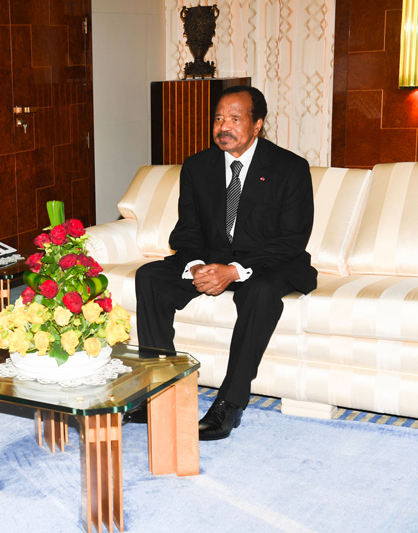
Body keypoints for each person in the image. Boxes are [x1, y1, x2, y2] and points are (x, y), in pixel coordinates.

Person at [129, 86, 317, 440]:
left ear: (257, 124)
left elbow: (292, 239)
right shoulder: (198, 167)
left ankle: (230, 403)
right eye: (218, 118)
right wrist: (198, 266)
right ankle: (161, 390)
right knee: (151, 276)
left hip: (269, 263)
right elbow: (186, 229)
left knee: (259, 292)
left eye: (234, 118)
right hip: (213, 260)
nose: (223, 127)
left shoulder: (289, 168)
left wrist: (234, 272)